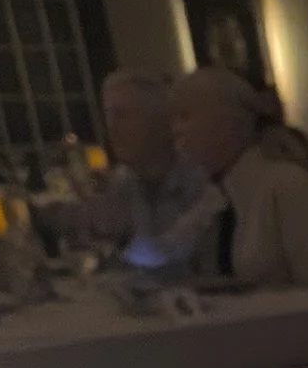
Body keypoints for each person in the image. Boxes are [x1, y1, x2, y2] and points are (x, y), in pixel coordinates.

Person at [171, 67, 308, 299]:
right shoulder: (207, 198)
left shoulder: (286, 185)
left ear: (228, 124)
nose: (176, 131)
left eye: (185, 116)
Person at [92, 70, 217, 277]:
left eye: (123, 116)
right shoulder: (123, 182)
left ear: (160, 121)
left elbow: (168, 259)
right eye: (109, 116)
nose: (112, 128)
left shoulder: (201, 178)